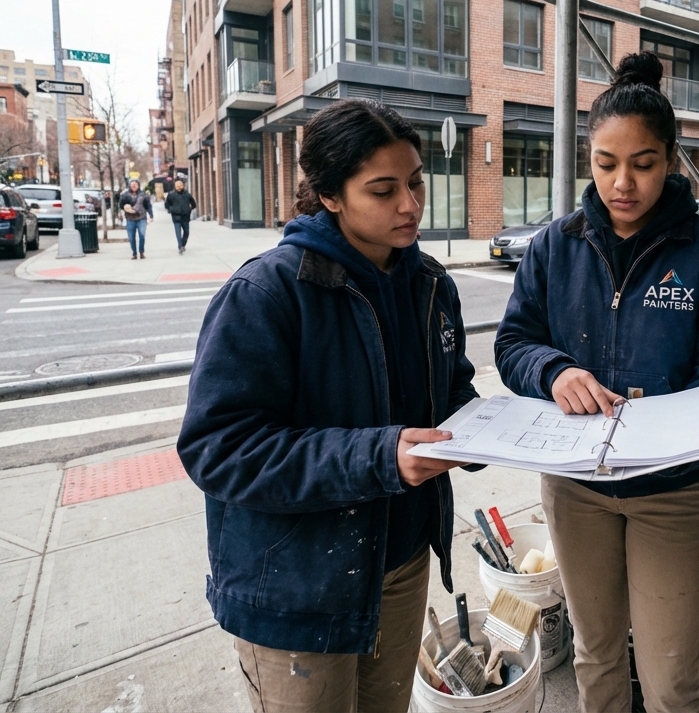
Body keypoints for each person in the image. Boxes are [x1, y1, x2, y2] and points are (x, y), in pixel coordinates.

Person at [177, 99, 477, 713]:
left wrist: (496, 430)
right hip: (298, 586)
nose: (410, 205)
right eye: (383, 189)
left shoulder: (431, 285)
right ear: (332, 196)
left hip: (401, 565)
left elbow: (451, 393)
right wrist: (379, 457)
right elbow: (219, 448)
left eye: (416, 182)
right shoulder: (267, 293)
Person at [495, 52, 699, 713]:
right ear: (588, 159)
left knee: (671, 673)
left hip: (672, 494)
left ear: (671, 160)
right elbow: (514, 344)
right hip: (576, 489)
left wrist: (657, 418)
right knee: (596, 651)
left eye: (642, 164)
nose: (623, 183)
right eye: (606, 164)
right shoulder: (556, 247)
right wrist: (554, 372)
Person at [118, 179, 153, 260]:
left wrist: (151, 215)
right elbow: (120, 205)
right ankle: (134, 253)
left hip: (141, 218)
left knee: (142, 235)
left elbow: (148, 205)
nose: (134, 186)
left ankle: (141, 252)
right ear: (130, 185)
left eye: (135, 184)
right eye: (132, 184)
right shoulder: (125, 195)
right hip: (130, 218)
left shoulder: (143, 195)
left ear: (138, 186)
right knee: (131, 237)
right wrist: (125, 207)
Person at [164, 178, 197, 254]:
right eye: (177, 184)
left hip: (185, 216)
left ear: (183, 185)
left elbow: (193, 204)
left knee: (186, 232)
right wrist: (171, 210)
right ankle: (180, 246)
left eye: (180, 184)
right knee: (178, 232)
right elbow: (167, 205)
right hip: (176, 216)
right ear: (175, 186)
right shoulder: (171, 195)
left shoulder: (187, 194)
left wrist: (189, 209)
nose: (179, 186)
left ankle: (183, 244)